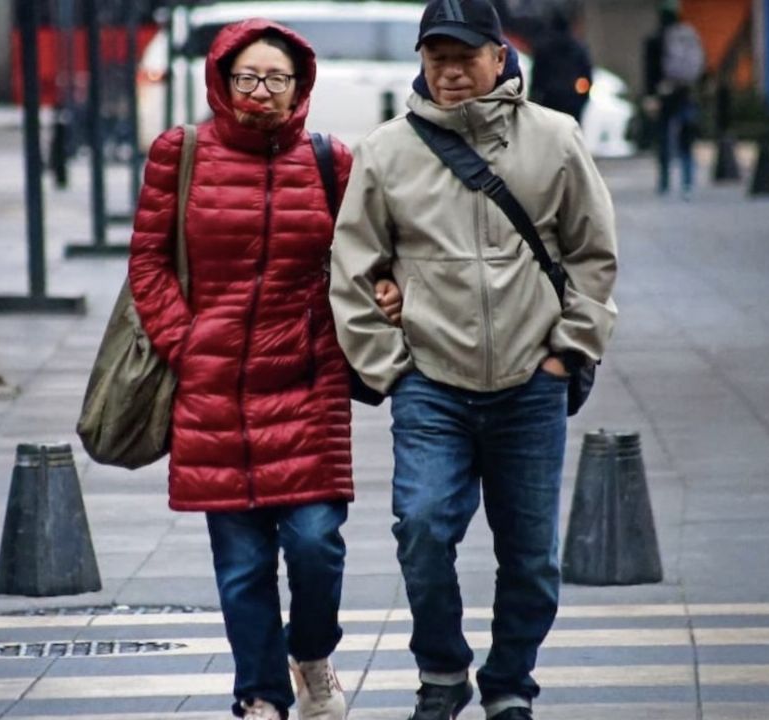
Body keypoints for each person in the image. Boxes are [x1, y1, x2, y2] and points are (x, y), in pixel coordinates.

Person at [328, 0, 618, 718]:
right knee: (422, 529)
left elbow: (593, 253)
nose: (451, 72)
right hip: (431, 383)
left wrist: (568, 351)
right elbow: (353, 267)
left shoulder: (554, 138)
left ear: (499, 56)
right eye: (438, 59)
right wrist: (392, 367)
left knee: (532, 557)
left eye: (465, 57)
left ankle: (510, 683)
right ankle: (442, 672)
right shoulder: (387, 151)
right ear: (422, 62)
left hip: (531, 381)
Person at [127, 19, 401, 720]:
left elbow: (369, 254)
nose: (260, 90)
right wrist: (187, 345)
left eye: (277, 78)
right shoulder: (179, 153)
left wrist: (384, 293)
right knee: (243, 565)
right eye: (247, 76)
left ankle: (310, 653)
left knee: (316, 547)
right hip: (212, 389)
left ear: (300, 86)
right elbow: (149, 263)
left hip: (307, 381)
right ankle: (260, 695)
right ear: (222, 80)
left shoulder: (330, 161)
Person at [642, 1, 705, 198]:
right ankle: (688, 181)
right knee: (686, 139)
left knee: (663, 138)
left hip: (663, 94)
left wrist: (650, 95)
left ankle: (664, 181)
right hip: (685, 93)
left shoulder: (655, 39)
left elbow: (649, 72)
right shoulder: (687, 35)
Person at [528, 11, 594, 125]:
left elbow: (537, 77)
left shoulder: (543, 47)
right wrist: (581, 97)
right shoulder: (578, 49)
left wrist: (535, 97)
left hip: (549, 100)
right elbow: (586, 75)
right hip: (572, 101)